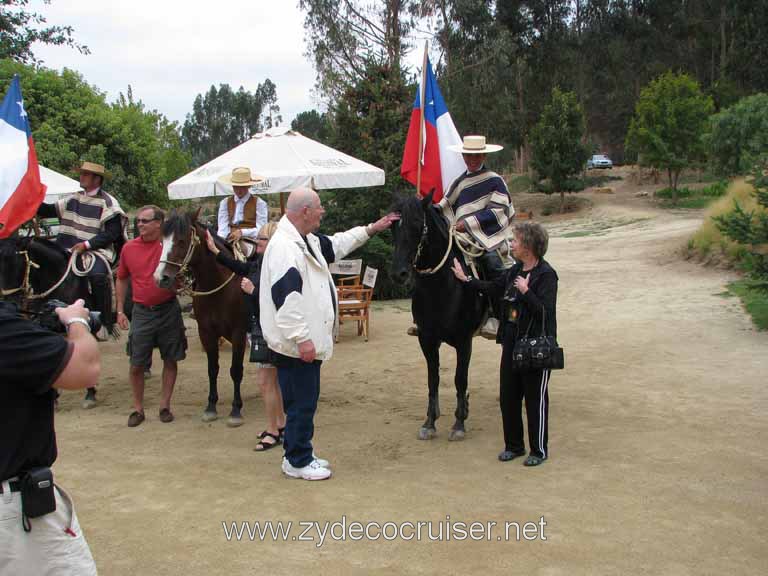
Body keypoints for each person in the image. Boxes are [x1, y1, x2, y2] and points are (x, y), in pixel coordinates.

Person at [260, 187, 399, 481]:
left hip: (302, 344)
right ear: (305, 211)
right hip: (297, 346)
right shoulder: (286, 248)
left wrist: (372, 229)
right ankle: (297, 460)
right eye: (320, 207)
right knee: (301, 403)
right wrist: (302, 339)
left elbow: (337, 244)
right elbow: (286, 299)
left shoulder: (305, 240)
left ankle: (298, 454)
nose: (324, 211)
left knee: (303, 401)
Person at [1, 298, 100, 574]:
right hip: (15, 509)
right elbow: (86, 369)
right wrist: (77, 321)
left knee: (97, 272)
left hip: (83, 252)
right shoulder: (6, 331)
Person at [452, 222, 558, 466]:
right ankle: (514, 446)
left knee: (535, 400)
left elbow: (545, 313)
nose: (511, 244)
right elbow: (493, 288)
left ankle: (538, 451)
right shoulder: (515, 270)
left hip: (536, 348)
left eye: (515, 241)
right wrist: (465, 279)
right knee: (508, 397)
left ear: (529, 246)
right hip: (511, 344)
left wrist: (526, 292)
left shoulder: (546, 275)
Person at [408, 135, 513, 337]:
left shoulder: (495, 180)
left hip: (485, 238)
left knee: (493, 266)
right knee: (428, 261)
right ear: (464, 156)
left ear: (483, 155)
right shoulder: (460, 181)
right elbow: (444, 206)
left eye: (476, 155)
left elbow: (499, 210)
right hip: (458, 236)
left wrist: (470, 223)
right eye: (469, 155)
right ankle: (422, 317)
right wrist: (423, 206)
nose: (472, 159)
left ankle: (496, 315)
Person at [205, 221, 286, 451]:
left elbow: (280, 299)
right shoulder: (258, 263)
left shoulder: (276, 266)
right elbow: (236, 265)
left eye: (262, 238)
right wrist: (214, 250)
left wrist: (254, 291)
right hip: (261, 327)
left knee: (265, 383)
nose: (257, 242)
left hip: (269, 329)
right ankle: (280, 425)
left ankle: (273, 431)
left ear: (272, 243)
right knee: (272, 383)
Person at [116, 205, 187, 427]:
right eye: (138, 222)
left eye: (145, 221)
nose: (140, 225)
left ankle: (165, 405)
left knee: (171, 358)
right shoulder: (128, 248)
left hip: (168, 309)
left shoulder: (168, 246)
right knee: (136, 363)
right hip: (141, 311)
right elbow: (121, 278)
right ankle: (138, 409)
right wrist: (119, 310)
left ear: (159, 223)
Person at [36, 161, 128, 324]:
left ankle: (103, 321)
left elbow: (112, 233)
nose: (81, 177)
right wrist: (30, 197)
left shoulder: (108, 202)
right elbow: (48, 211)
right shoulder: (74, 197)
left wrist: (86, 245)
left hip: (94, 251)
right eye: (82, 173)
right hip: (65, 247)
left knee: (98, 276)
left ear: (97, 179)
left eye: (86, 174)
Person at [217, 167, 268, 252]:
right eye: (236, 187)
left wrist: (242, 232)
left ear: (248, 186)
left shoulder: (259, 203)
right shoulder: (225, 202)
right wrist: (219, 242)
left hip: (251, 241)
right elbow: (223, 228)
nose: (239, 190)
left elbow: (262, 229)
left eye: (242, 187)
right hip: (230, 239)